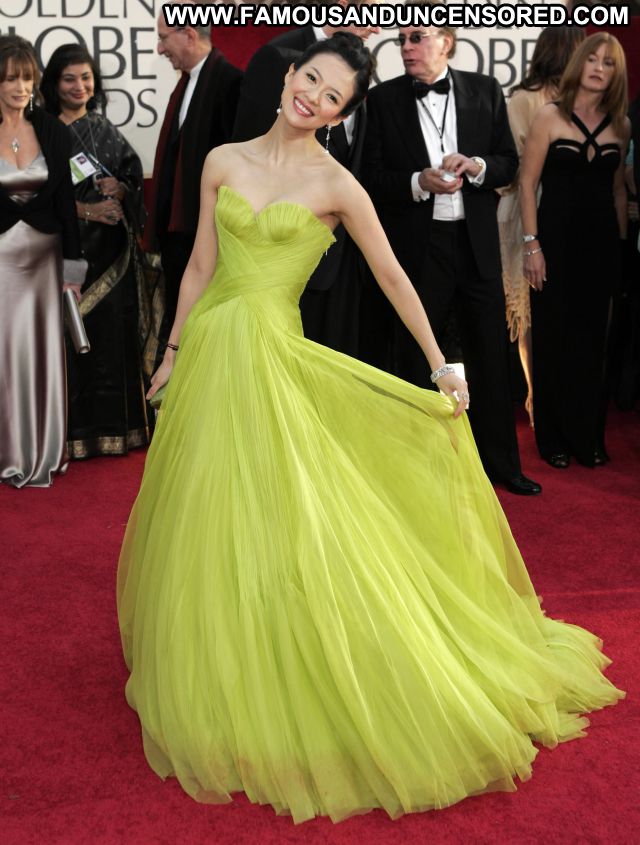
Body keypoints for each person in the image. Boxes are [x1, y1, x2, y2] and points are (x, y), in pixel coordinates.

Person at [117, 34, 623, 823]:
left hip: (274, 358)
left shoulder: (337, 183)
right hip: (213, 353)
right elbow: (201, 267)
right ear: (290, 75)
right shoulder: (220, 159)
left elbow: (392, 273)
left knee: (289, 514)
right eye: (310, 80)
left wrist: (441, 363)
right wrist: (173, 350)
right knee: (211, 511)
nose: (312, 98)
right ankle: (227, 650)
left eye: (332, 97)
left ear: (341, 115)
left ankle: (293, 656)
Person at [362, 10, 541, 496]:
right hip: (420, 250)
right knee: (416, 358)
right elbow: (370, 178)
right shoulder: (382, 101)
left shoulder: (485, 90)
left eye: (416, 38)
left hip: (476, 244)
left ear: (446, 40)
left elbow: (508, 163)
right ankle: (418, 471)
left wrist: (477, 166)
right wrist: (418, 181)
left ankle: (501, 467)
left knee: (491, 357)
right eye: (401, 39)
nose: (406, 47)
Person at [232, 0, 381, 357]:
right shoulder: (276, 56)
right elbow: (246, 161)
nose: (377, 27)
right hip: (283, 269)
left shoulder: (360, 69)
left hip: (344, 266)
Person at [520, 33, 630, 468]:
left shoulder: (622, 126)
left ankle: (588, 437)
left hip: (602, 246)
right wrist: (532, 246)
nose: (599, 68)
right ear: (579, 63)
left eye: (609, 63)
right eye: (593, 59)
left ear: (617, 74)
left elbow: (617, 191)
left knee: (592, 342)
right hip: (554, 244)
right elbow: (527, 184)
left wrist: (621, 249)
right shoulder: (549, 116)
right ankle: (552, 438)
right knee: (553, 337)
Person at [41, 44, 155, 460]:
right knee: (67, 346)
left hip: (113, 259)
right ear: (53, 85)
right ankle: (67, 435)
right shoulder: (40, 131)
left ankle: (119, 430)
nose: (79, 86)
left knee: (110, 343)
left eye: (86, 78)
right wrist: (87, 210)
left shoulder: (104, 128)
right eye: (69, 79)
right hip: (62, 257)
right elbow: (33, 197)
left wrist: (120, 189)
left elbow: (131, 177)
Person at [0, 36, 82, 487]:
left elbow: (66, 203)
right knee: (4, 357)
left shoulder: (52, 130)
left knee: (41, 356)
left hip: (45, 262)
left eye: (27, 78)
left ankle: (43, 449)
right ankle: (7, 452)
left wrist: (73, 269)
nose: (20, 87)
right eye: (11, 78)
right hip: (1, 263)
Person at [498, 26, 586, 427]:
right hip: (526, 210)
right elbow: (516, 165)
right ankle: (536, 398)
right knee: (529, 313)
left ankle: (560, 396)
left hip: (566, 212)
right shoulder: (526, 98)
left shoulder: (582, 101)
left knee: (560, 308)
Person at [144, 0, 242, 327]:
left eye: (163, 38)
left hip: (209, 246)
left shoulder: (230, 83)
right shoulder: (185, 83)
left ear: (188, 34)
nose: (159, 49)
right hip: (180, 244)